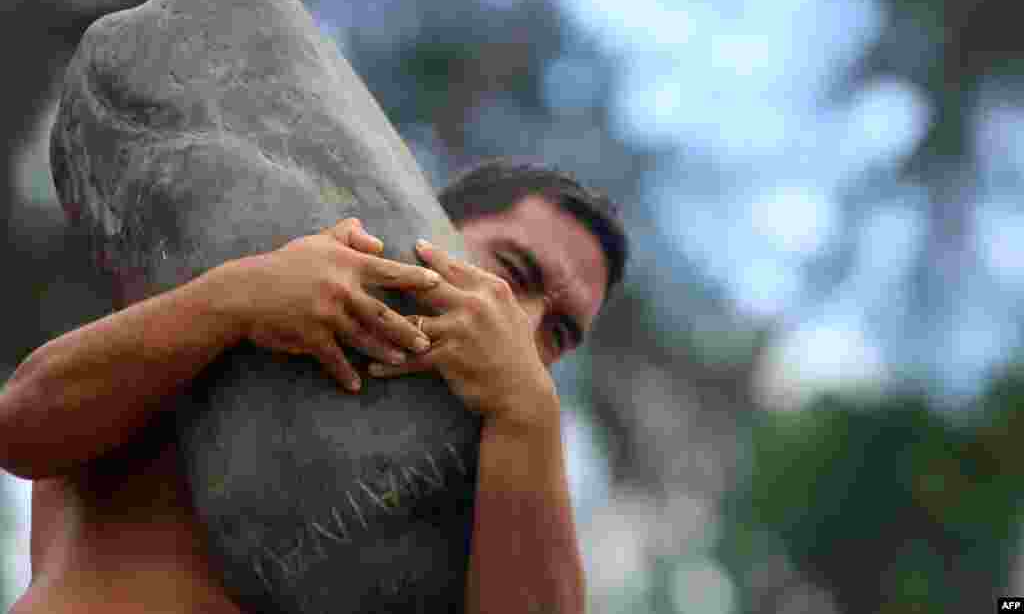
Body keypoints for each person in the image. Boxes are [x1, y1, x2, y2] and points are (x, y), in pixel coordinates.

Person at [0, 158, 629, 613]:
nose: (522, 326)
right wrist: (240, 298)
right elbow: (20, 428)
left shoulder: (497, 504)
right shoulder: (223, 304)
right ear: (426, 223)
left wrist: (530, 416)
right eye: (513, 272)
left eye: (560, 335)